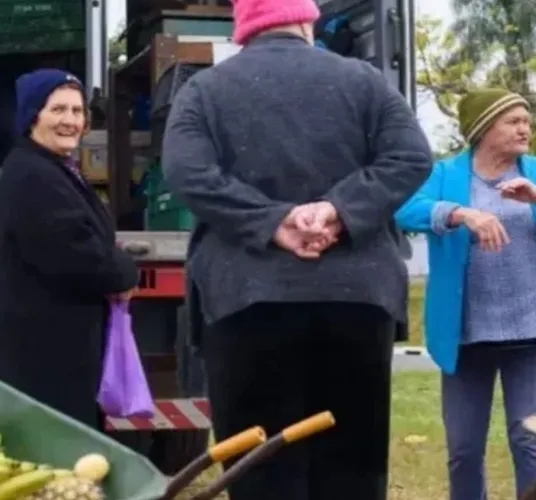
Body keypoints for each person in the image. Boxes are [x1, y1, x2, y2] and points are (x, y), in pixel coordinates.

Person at [160, 0, 433, 498]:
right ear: (308, 19)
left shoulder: (204, 90)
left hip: (247, 300)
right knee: (353, 466)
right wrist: (338, 212)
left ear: (243, 26)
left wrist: (273, 222)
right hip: (356, 299)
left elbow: (186, 171)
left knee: (260, 471)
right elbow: (411, 155)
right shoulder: (365, 81)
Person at [395, 89, 536, 500]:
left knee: (530, 445)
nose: (525, 128)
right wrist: (457, 213)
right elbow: (404, 209)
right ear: (483, 129)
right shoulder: (446, 174)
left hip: (532, 332)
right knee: (464, 450)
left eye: (526, 120)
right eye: (513, 121)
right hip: (466, 334)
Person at [0, 69, 138, 431]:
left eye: (77, 111)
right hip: (39, 362)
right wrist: (126, 271)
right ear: (33, 116)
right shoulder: (32, 176)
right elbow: (77, 257)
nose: (70, 121)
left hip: (58, 357)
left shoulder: (54, 169)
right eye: (58, 110)